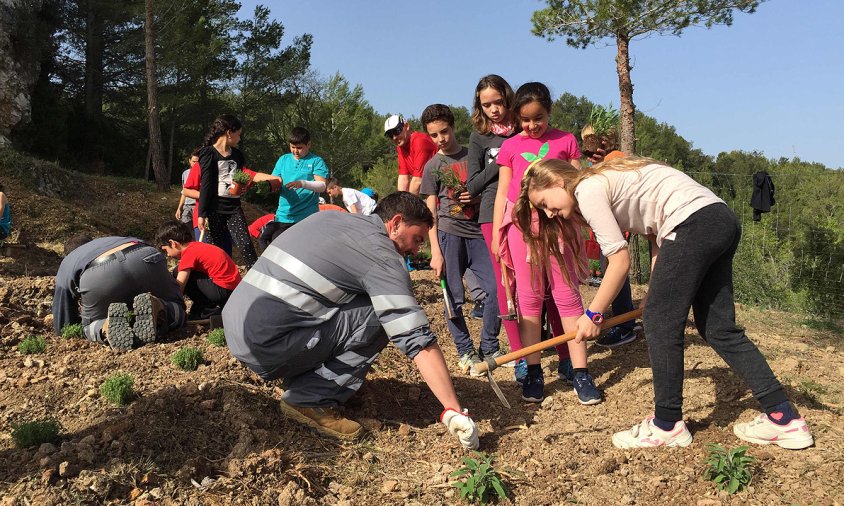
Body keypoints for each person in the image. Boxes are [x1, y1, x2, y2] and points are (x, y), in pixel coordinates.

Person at [518, 156, 814, 450]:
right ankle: (784, 418)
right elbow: (655, 235)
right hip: (718, 219)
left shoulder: (587, 188)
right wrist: (654, 291)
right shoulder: (606, 181)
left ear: (557, 180)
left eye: (545, 203)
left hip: (690, 224)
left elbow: (619, 261)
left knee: (660, 325)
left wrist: (593, 313)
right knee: (718, 328)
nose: (549, 213)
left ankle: (667, 424)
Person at [223, 192, 479, 449]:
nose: (415, 250)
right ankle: (309, 398)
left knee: (366, 302)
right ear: (396, 223)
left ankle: (301, 374)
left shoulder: (333, 220)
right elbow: (416, 339)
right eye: (417, 239)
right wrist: (453, 410)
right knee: (381, 316)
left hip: (238, 328)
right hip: (266, 347)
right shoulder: (381, 254)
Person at [492, 81, 601, 405]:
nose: (531, 125)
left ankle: (580, 371)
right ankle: (535, 371)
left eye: (537, 118)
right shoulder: (510, 147)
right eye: (524, 120)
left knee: (567, 296)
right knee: (529, 300)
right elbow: (503, 193)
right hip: (522, 229)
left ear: (549, 112)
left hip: (560, 228)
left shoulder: (565, 141)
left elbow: (579, 183)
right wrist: (499, 235)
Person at [419, 104, 502, 375]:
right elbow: (430, 210)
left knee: (496, 289)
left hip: (479, 232)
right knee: (452, 297)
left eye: (444, 131)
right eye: (434, 135)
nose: (441, 138)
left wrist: (477, 198)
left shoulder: (473, 155)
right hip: (448, 235)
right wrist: (435, 250)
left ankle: (489, 346)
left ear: (453, 127)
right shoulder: (432, 167)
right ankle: (465, 350)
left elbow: (491, 189)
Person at [465, 74, 521, 375]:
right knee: (504, 281)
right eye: (487, 105)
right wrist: (502, 162)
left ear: (508, 98)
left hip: (527, 209)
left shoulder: (525, 127)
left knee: (530, 280)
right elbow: (472, 184)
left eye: (498, 102)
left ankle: (538, 341)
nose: (494, 110)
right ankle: (519, 353)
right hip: (491, 213)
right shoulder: (479, 138)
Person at [52, 234, 186, 351]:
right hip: (144, 255)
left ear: (69, 253)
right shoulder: (108, 240)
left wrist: (74, 326)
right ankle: (161, 306)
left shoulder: (69, 260)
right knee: (176, 305)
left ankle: (105, 325)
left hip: (100, 273)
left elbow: (63, 319)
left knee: (88, 327)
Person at [579, 125, 639, 348]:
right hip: (609, 223)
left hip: (618, 223)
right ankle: (625, 319)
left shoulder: (616, 158)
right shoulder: (596, 163)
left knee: (615, 269)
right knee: (609, 269)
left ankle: (625, 326)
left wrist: (604, 162)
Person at [197, 114, 281, 270]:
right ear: (229, 132)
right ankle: (215, 280)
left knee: (245, 244)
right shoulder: (208, 153)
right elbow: (206, 185)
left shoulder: (238, 155)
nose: (239, 138)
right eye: (238, 134)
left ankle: (256, 276)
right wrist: (201, 214)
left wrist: (242, 187)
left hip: (233, 207)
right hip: (214, 208)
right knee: (214, 247)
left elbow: (240, 177)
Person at [155, 220, 241, 320]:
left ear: (173, 243)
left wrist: (170, 306)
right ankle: (203, 308)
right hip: (232, 289)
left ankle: (205, 308)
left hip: (224, 290)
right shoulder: (196, 247)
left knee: (180, 273)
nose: (168, 255)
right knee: (178, 270)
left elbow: (179, 287)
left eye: (166, 250)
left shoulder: (189, 253)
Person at [259, 127, 329, 246]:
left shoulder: (316, 161)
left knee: (300, 250)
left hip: (306, 218)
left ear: (309, 144)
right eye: (292, 147)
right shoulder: (283, 159)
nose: (295, 151)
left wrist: (302, 183)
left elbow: (322, 186)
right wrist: (263, 186)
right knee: (275, 247)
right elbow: (274, 180)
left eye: (299, 148)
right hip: (283, 216)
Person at [384, 114, 437, 195]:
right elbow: (403, 178)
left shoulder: (419, 141)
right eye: (390, 135)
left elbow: (417, 181)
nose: (394, 137)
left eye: (396, 131)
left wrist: (407, 205)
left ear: (407, 126)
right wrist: (401, 201)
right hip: (431, 192)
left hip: (443, 190)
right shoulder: (400, 147)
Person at [175, 149, 200, 225]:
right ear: (189, 160)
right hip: (187, 206)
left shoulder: (203, 173)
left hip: (198, 205)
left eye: (197, 162)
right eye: (193, 161)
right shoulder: (185, 173)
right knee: (186, 227)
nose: (195, 163)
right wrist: (179, 208)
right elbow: (184, 192)